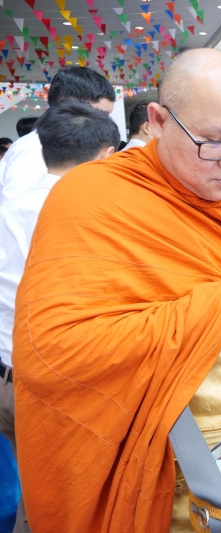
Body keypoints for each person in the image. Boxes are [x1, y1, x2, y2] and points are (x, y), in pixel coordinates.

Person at [11, 49, 221, 533]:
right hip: (165, 471)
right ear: (158, 120)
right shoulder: (91, 198)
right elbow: (52, 352)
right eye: (213, 142)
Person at [0, 100, 119, 533]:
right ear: (105, 156)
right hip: (50, 386)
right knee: (57, 509)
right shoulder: (91, 216)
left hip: (5, 374)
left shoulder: (8, 203)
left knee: (28, 494)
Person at [0, 66, 115, 206]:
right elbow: (20, 216)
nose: (105, 123)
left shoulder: (64, 145)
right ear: (68, 105)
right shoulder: (32, 150)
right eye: (100, 115)